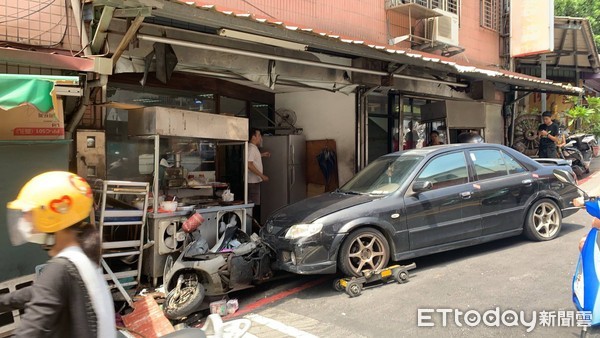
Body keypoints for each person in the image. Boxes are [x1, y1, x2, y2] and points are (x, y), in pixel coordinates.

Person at [1, 171, 116, 337]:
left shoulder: (60, 269)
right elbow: (39, 293)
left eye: (28, 212)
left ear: (49, 216)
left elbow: (29, 331)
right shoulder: (82, 259)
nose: (24, 219)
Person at [247, 128, 270, 225]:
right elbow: (249, 164)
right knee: (254, 207)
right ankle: (254, 230)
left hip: (254, 181)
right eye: (259, 135)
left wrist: (262, 154)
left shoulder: (252, 147)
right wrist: (262, 175)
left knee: (254, 206)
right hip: (253, 182)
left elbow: (252, 158)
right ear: (253, 137)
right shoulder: (252, 148)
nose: (260, 138)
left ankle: (254, 228)